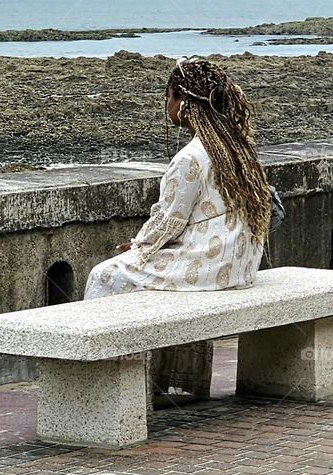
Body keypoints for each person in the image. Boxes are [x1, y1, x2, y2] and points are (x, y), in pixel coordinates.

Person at [85, 56, 274, 299]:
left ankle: (105, 337)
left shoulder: (190, 157)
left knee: (103, 275)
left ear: (184, 104)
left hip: (209, 266)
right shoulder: (235, 146)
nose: (167, 104)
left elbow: (169, 221)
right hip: (240, 264)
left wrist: (138, 245)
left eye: (169, 96)